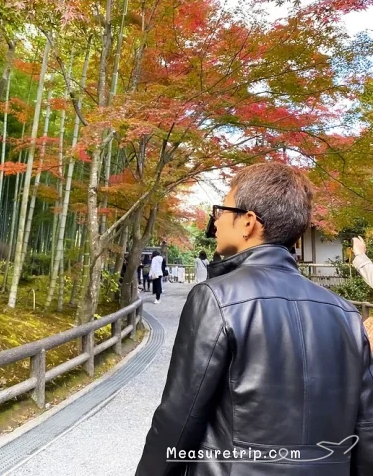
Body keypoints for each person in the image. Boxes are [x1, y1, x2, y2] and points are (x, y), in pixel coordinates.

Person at [136, 163, 373, 476]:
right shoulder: (346, 313)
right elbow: (366, 427)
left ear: (248, 222)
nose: (215, 221)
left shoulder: (216, 298)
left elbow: (180, 417)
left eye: (222, 210)